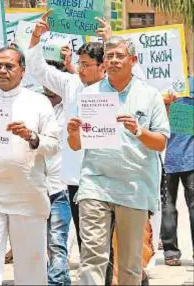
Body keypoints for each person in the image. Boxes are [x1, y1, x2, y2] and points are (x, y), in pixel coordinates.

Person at [66, 36, 170, 285]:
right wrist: (72, 132)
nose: (112, 60)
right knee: (92, 257)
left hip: (134, 187)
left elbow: (161, 142)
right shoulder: (91, 94)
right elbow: (77, 145)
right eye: (109, 56)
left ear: (133, 60)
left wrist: (138, 131)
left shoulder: (150, 95)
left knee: (129, 264)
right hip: (95, 184)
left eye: (119, 55)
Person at [0, 46, 60, 285]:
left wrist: (31, 137)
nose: (3, 71)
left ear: (22, 71)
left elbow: (54, 144)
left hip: (28, 192)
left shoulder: (38, 102)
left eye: (9, 66)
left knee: (31, 259)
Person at [26, 13, 109, 253]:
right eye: (79, 64)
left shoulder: (115, 88)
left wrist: (112, 40)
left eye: (86, 65)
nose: (80, 70)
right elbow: (38, 70)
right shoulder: (71, 84)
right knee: (86, 239)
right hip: (76, 175)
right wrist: (36, 37)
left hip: (107, 175)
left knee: (106, 239)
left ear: (102, 66)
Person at [160, 86, 194, 266]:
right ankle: (170, 252)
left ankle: (170, 253)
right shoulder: (184, 87)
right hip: (175, 158)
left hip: (179, 157)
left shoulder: (162, 87)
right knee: (168, 206)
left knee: (167, 205)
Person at [43, 86, 72, 285]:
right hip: (35, 185)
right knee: (40, 243)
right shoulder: (35, 105)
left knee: (57, 241)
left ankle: (56, 282)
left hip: (60, 185)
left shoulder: (71, 107)